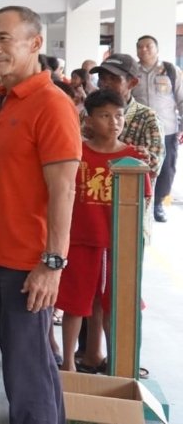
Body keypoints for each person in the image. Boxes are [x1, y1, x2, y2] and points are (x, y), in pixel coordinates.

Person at [0, 6, 80, 424]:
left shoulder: (51, 104)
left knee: (25, 374)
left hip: (29, 264)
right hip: (0, 257)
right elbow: (1, 187)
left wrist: (52, 263)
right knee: (31, 366)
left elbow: (63, 190)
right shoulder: (0, 104)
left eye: (4, 39)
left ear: (35, 43)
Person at [58, 89, 149, 373]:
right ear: (89, 119)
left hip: (118, 246)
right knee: (75, 304)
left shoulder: (133, 157)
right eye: (105, 116)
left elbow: (142, 200)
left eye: (119, 115)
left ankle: (120, 363)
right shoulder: (77, 152)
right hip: (81, 241)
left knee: (117, 305)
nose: (114, 122)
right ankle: (69, 363)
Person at [132, 35, 183, 223]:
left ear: (157, 48)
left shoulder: (170, 70)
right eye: (140, 47)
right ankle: (138, 202)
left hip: (167, 129)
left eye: (148, 46)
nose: (144, 50)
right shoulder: (131, 72)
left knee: (166, 168)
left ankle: (158, 204)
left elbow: (181, 98)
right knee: (139, 166)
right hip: (138, 130)